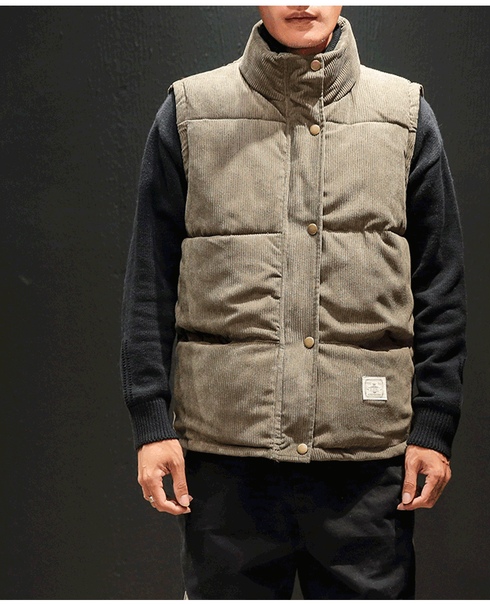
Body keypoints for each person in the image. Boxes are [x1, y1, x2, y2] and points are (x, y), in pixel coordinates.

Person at [121, 5, 466, 599]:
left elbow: (440, 286)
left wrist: (434, 426)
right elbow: (150, 279)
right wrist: (150, 421)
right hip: (227, 458)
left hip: (365, 459)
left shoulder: (404, 117)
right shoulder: (191, 113)